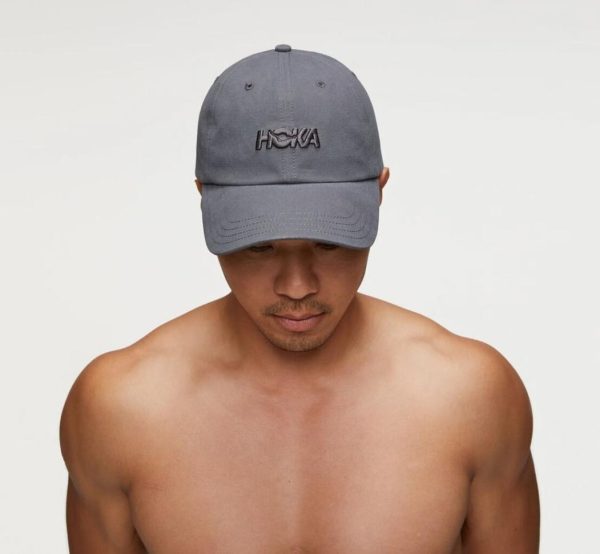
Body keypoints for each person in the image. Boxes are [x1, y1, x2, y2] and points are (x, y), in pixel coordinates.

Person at [59, 44, 540, 553]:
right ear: (203, 197)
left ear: (379, 191)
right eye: (258, 246)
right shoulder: (120, 411)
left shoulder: (470, 399)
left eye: (329, 242)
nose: (297, 287)